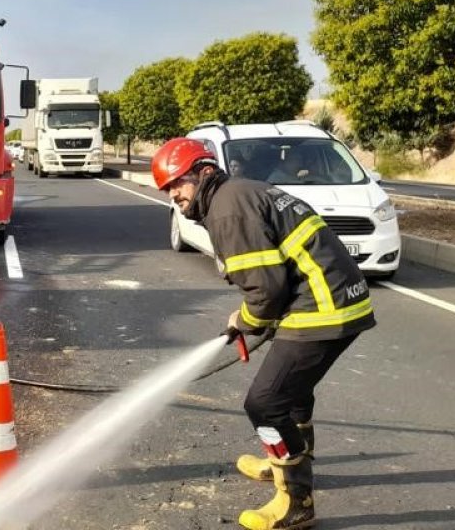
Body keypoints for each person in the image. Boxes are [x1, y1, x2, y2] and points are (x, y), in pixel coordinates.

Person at [151, 137, 375, 530]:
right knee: (292, 393)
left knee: (266, 404)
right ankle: (284, 467)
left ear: (204, 172)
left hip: (321, 308)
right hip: (336, 299)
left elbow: (266, 290)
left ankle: (296, 501)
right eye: (167, 190)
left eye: (178, 184)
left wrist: (249, 318)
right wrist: (255, 315)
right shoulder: (239, 193)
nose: (174, 196)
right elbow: (271, 280)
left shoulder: (227, 209)